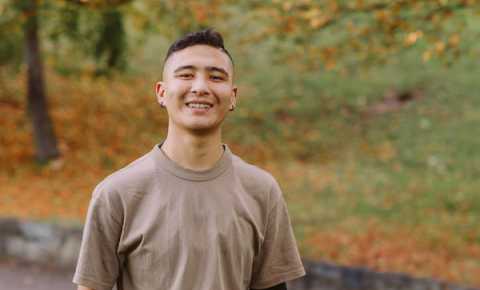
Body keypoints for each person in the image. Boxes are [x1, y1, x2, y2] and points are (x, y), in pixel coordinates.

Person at [73, 28, 305, 290]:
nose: (200, 87)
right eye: (186, 75)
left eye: (216, 77)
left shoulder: (262, 191)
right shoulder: (117, 194)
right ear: (161, 92)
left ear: (233, 96)